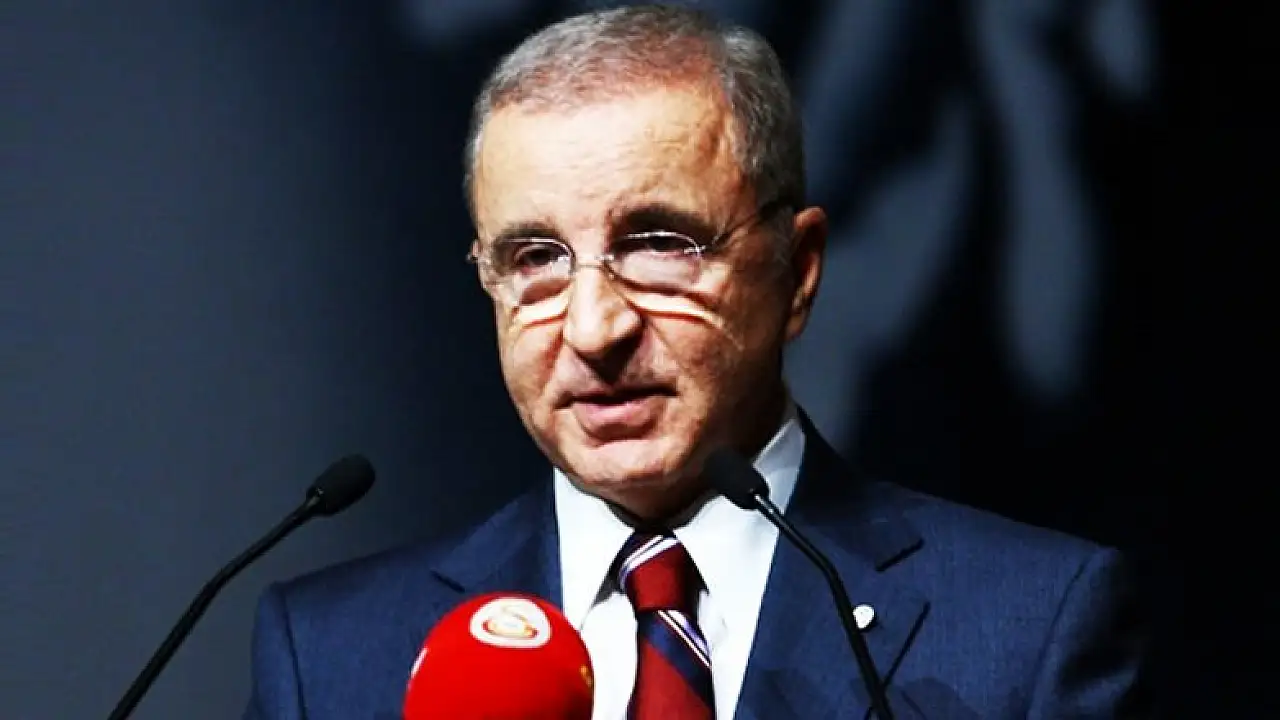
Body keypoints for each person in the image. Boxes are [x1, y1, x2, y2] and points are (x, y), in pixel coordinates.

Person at [243, 5, 1148, 718]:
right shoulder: (330, 656)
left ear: (797, 272)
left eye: (659, 244)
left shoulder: (1030, 630)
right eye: (535, 258)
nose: (593, 328)